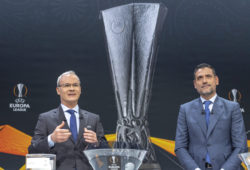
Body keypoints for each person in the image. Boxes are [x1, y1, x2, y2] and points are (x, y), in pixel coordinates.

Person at [175, 63, 247, 170]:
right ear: (195, 84)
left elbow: (240, 146)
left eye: (208, 76)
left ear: (216, 80)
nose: (204, 81)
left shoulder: (232, 108)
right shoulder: (185, 109)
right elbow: (180, 147)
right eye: (200, 78)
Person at [28, 70, 106, 170]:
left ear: (80, 89)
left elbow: (106, 152)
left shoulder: (93, 118)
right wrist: (51, 139)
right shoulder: (45, 118)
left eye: (75, 85)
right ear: (58, 90)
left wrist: (96, 142)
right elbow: (32, 150)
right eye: (66, 85)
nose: (72, 89)